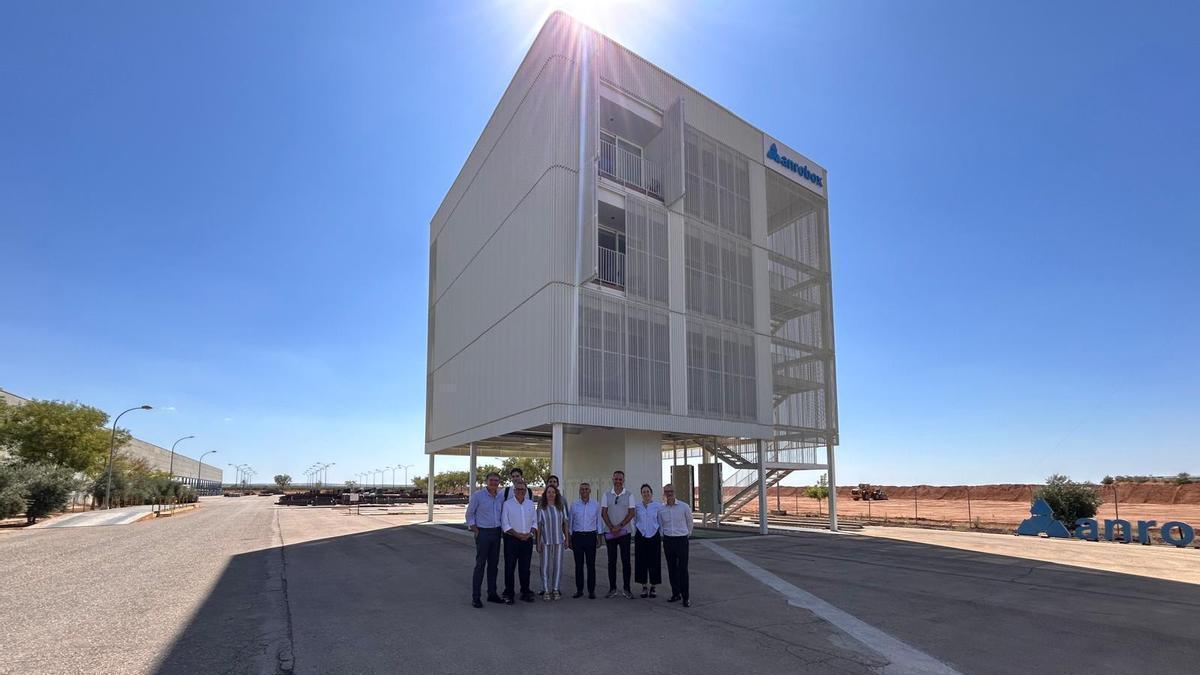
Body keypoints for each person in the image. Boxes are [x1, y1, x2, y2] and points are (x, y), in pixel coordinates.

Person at [465, 471, 506, 608]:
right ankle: (476, 597)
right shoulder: (478, 496)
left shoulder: (500, 497)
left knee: (493, 566)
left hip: (496, 533)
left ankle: (492, 594)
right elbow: (469, 513)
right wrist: (475, 529)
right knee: (480, 565)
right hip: (483, 533)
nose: (494, 482)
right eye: (491, 480)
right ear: (486, 481)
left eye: (496, 480)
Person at [501, 480, 538, 603]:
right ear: (514, 491)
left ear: (526, 491)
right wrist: (517, 535)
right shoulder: (507, 504)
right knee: (510, 567)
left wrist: (530, 533)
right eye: (518, 489)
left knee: (525, 568)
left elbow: (535, 522)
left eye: (523, 489)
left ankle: (525, 591)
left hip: (527, 540)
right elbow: (505, 524)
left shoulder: (530, 504)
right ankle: (509, 593)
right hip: (512, 540)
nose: (521, 491)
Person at [658, 483, 694, 607]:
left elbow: (690, 523)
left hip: (681, 541)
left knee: (683, 569)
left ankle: (686, 597)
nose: (669, 493)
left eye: (671, 491)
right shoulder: (662, 509)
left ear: (675, 492)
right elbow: (661, 524)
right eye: (667, 491)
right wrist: (665, 535)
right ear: (664, 493)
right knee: (672, 569)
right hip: (668, 541)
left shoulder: (684, 507)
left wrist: (686, 535)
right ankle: (675, 593)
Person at [601, 470, 635, 598]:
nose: (618, 481)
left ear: (623, 480)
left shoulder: (629, 495)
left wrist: (619, 526)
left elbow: (631, 513)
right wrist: (611, 527)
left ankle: (627, 588)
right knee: (612, 561)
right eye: (616, 479)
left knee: (626, 561)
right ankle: (612, 588)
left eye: (620, 479)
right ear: (613, 479)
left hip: (624, 532)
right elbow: (604, 512)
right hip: (610, 533)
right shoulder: (606, 495)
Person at [568, 482, 601, 599]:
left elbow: (599, 522)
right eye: (582, 489)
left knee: (591, 565)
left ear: (590, 491)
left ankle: (591, 591)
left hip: (591, 536)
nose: (584, 491)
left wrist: (599, 537)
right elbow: (570, 523)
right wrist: (570, 538)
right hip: (577, 537)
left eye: (586, 489)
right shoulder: (574, 505)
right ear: (579, 491)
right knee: (578, 565)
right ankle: (579, 590)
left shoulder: (596, 505)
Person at [537, 484, 569, 600]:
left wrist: (567, 540)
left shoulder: (560, 507)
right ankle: (545, 589)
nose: (551, 494)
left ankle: (555, 588)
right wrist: (538, 542)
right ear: (545, 494)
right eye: (549, 492)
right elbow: (539, 526)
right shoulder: (541, 508)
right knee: (544, 565)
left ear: (556, 494)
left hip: (559, 540)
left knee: (558, 565)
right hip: (545, 540)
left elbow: (565, 523)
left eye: (553, 492)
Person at [633, 483, 663, 599]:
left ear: (651, 493)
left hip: (654, 536)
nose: (646, 494)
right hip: (641, 536)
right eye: (644, 492)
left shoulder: (657, 506)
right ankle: (644, 586)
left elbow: (660, 521)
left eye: (648, 492)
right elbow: (635, 520)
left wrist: (660, 534)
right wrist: (639, 530)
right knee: (641, 561)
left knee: (654, 561)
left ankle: (653, 586)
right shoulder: (637, 506)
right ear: (641, 494)